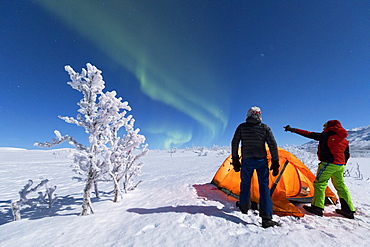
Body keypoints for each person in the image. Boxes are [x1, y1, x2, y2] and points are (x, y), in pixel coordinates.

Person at [284, 120, 355, 219]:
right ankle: (348, 209)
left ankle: (317, 207)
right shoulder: (344, 140)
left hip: (328, 164)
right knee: (340, 185)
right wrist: (341, 163)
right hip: (340, 165)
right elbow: (347, 154)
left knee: (319, 184)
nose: (323, 128)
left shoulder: (327, 135)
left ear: (331, 127)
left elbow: (310, 134)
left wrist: (294, 130)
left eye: (325, 126)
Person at [231, 106, 280, 228]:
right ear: (259, 115)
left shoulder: (242, 127)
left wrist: (235, 160)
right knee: (264, 187)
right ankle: (266, 218)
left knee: (245, 183)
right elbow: (273, 145)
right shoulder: (264, 128)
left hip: (247, 160)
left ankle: (243, 206)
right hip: (261, 161)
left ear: (248, 115)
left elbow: (235, 143)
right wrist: (275, 162)